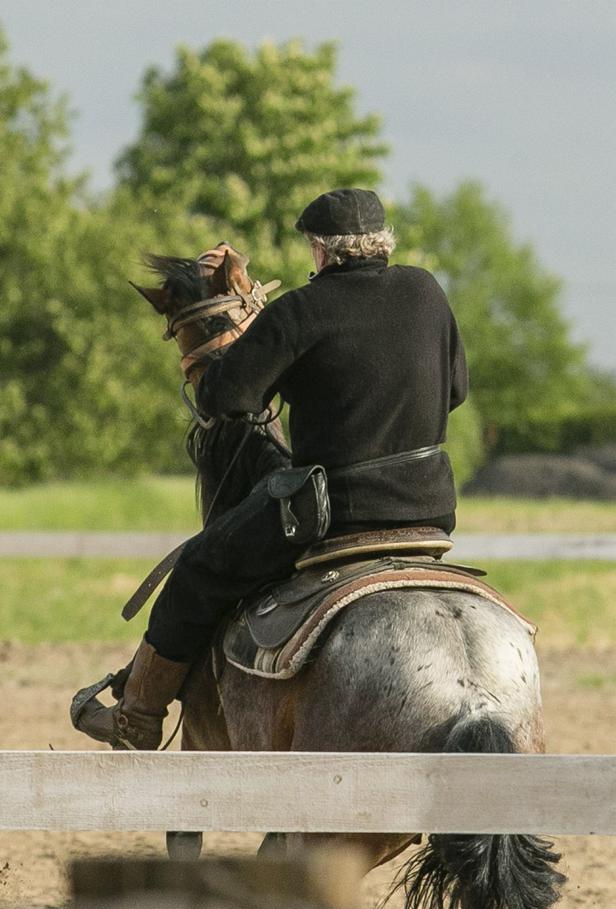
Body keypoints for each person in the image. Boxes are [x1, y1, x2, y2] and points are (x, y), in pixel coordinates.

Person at [74, 188, 468, 751]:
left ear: (320, 250)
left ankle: (136, 716)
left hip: (331, 516)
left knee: (199, 569)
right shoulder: (426, 291)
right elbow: (455, 391)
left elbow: (223, 399)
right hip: (431, 511)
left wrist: (250, 345)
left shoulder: (302, 310)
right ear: (383, 243)